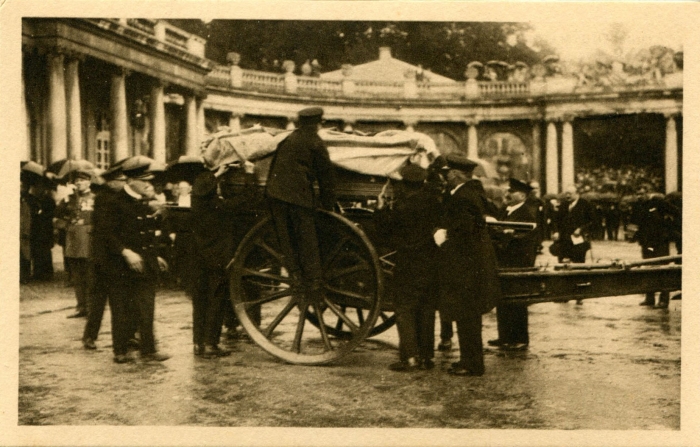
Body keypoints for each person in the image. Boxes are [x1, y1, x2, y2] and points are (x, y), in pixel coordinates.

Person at [92, 156, 170, 363]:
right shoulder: (113, 202)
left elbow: (146, 235)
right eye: (145, 181)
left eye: (149, 181)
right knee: (121, 308)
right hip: (119, 265)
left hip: (144, 264)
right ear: (131, 181)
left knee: (146, 307)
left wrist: (155, 256)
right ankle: (120, 350)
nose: (149, 185)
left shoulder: (143, 203)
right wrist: (125, 252)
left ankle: (149, 349)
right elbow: (105, 233)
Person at [433, 154, 502, 376]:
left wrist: (444, 237)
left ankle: (472, 364)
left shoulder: (463, 197)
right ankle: (468, 360)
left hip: (466, 266)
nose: (444, 178)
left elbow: (465, 233)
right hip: (472, 264)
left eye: (446, 174)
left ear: (455, 174)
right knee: (467, 317)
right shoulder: (470, 192)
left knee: (467, 317)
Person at [374, 164, 442, 371]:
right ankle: (426, 357)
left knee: (404, 308)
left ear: (404, 185)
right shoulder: (433, 203)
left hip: (408, 264)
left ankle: (410, 358)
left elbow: (384, 233)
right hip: (430, 263)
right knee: (426, 309)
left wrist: (380, 209)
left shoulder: (403, 208)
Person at [191, 160, 260, 358]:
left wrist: (216, 174)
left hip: (200, 259)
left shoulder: (200, 202)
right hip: (218, 260)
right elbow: (248, 199)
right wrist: (249, 176)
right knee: (216, 301)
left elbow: (204, 188)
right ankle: (210, 344)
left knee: (200, 302)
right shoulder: (218, 206)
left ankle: (199, 344)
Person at [265, 106, 336, 300]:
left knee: (286, 240)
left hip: (275, 194)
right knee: (307, 239)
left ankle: (295, 272)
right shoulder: (315, 142)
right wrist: (328, 207)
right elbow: (326, 177)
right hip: (298, 196)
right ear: (317, 124)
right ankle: (313, 280)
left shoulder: (289, 138)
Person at [82, 160, 128, 350]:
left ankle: (91, 337)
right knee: (104, 302)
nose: (124, 183)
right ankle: (92, 337)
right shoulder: (106, 200)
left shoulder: (111, 198)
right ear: (112, 182)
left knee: (101, 302)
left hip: (105, 259)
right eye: (121, 180)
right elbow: (105, 232)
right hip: (105, 260)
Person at [489, 178, 538, 351]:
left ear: (522, 195)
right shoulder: (506, 210)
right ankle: (505, 336)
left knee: (517, 300)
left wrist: (505, 235)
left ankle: (520, 338)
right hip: (504, 261)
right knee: (503, 299)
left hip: (518, 263)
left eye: (512, 192)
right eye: (508, 191)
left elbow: (524, 239)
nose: (508, 194)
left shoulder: (526, 213)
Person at [630, 184, 680, 309]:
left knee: (662, 270)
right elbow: (634, 222)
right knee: (648, 269)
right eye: (637, 194)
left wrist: (668, 228)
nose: (639, 196)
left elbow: (676, 212)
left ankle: (663, 300)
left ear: (648, 193)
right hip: (646, 242)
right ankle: (649, 298)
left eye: (641, 194)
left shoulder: (658, 202)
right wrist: (633, 234)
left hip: (660, 242)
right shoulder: (637, 206)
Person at [54, 169, 96, 318]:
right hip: (73, 239)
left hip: (89, 239)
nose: (79, 183)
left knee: (90, 275)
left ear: (89, 182)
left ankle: (92, 307)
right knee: (76, 276)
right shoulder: (68, 199)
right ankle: (81, 306)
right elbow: (57, 218)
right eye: (77, 181)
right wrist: (66, 224)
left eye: (82, 181)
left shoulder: (95, 198)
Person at [552, 185, 595, 264]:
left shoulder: (585, 204)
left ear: (577, 193)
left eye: (570, 193)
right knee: (562, 266)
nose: (567, 196)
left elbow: (592, 221)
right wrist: (556, 231)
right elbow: (556, 220)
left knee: (577, 265)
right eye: (566, 193)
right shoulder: (563, 205)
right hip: (563, 241)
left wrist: (581, 229)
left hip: (578, 241)